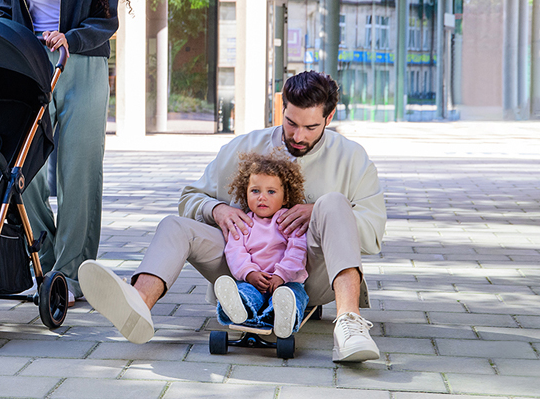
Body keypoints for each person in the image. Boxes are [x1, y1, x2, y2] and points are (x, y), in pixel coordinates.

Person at [79, 71, 386, 362]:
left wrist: (318, 213)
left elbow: (372, 233)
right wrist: (218, 209)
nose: (297, 135)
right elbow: (189, 199)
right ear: (282, 107)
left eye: (310, 127)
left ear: (328, 118)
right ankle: (137, 305)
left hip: (309, 272)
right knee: (174, 225)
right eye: (291, 123)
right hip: (243, 264)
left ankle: (349, 326)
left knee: (333, 202)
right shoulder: (245, 146)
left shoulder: (352, 157)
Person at [0, 0, 129, 305]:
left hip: (83, 66)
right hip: (30, 68)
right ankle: (47, 261)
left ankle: (73, 274)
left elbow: (106, 20)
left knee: (79, 173)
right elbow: (4, 11)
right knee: (23, 168)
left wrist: (68, 38)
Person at [214, 151, 309, 339]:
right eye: (255, 191)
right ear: (245, 192)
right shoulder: (243, 222)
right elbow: (235, 251)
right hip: (253, 282)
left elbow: (297, 250)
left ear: (285, 197)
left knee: (293, 295)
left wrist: (281, 275)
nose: (262, 197)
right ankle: (239, 308)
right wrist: (249, 273)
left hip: (285, 282)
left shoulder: (287, 220)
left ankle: (282, 315)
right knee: (245, 292)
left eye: (271, 192)